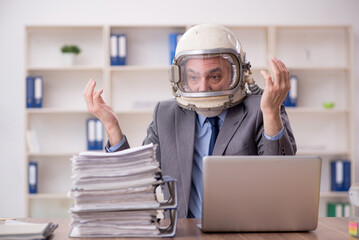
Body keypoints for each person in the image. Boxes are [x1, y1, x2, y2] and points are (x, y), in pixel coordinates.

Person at [83, 24, 296, 218]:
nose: (202, 87)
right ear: (181, 77)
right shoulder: (165, 114)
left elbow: (280, 183)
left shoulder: (264, 109)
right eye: (194, 78)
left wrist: (270, 113)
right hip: (183, 232)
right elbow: (134, 184)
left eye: (214, 77)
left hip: (244, 231)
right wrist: (112, 126)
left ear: (238, 73)